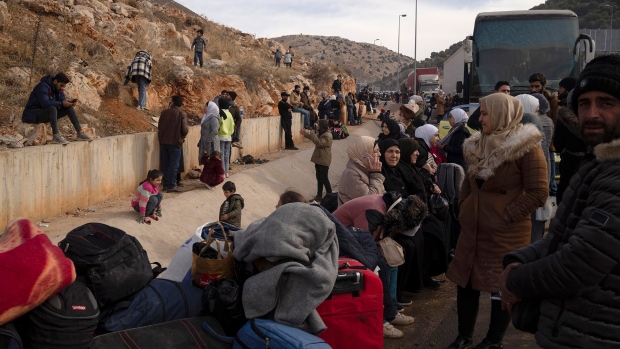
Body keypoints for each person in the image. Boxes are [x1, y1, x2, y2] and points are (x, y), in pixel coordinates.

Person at [499, 54, 620, 349]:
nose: (591, 114)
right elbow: (568, 237)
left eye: (606, 103)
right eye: (584, 103)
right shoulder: (599, 164)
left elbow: (579, 263)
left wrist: (513, 282)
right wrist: (519, 259)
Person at [446, 93, 548, 349]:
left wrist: (506, 215)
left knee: (499, 286)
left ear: (502, 114)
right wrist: (464, 207)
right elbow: (469, 181)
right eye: (481, 113)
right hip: (473, 227)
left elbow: (538, 192)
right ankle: (464, 337)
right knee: (465, 282)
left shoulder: (527, 147)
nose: (480, 119)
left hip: (506, 231)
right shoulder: (475, 145)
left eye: (485, 113)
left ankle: (493, 340)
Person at [333, 193, 426, 339]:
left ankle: (392, 311)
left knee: (392, 262)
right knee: (378, 269)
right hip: (338, 243)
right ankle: (380, 319)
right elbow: (362, 243)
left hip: (355, 239)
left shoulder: (389, 205)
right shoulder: (373, 212)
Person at [22, 73, 93, 144]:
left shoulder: (58, 89)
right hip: (33, 114)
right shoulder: (42, 87)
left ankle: (80, 133)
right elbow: (45, 104)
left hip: (45, 114)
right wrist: (61, 103)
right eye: (61, 85)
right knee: (52, 109)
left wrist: (68, 103)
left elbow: (62, 99)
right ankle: (56, 136)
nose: (62, 88)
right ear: (55, 81)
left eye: (63, 86)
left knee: (69, 108)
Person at [338, 136, 384, 205]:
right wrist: (376, 175)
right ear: (365, 155)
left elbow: (382, 193)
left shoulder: (367, 169)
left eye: (379, 151)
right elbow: (369, 200)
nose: (379, 154)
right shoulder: (351, 174)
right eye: (376, 151)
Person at [158, 95, 188, 192]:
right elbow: (185, 129)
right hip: (175, 142)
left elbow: (160, 126)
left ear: (172, 102)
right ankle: (171, 185)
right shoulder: (181, 113)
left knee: (165, 164)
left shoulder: (164, 113)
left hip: (163, 142)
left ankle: (166, 184)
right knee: (174, 164)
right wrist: (182, 137)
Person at [301, 119, 333, 202]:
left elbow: (319, 142)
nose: (317, 126)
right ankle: (319, 195)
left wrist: (312, 134)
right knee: (319, 178)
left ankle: (330, 195)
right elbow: (314, 138)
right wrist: (306, 134)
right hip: (319, 159)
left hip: (324, 159)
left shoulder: (327, 135)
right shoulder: (322, 133)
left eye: (319, 125)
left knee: (324, 178)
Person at [217, 98, 234, 177]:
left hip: (221, 136)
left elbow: (219, 124)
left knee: (222, 155)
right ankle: (227, 172)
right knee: (227, 155)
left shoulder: (221, 113)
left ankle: (222, 172)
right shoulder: (229, 114)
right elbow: (233, 125)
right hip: (229, 137)